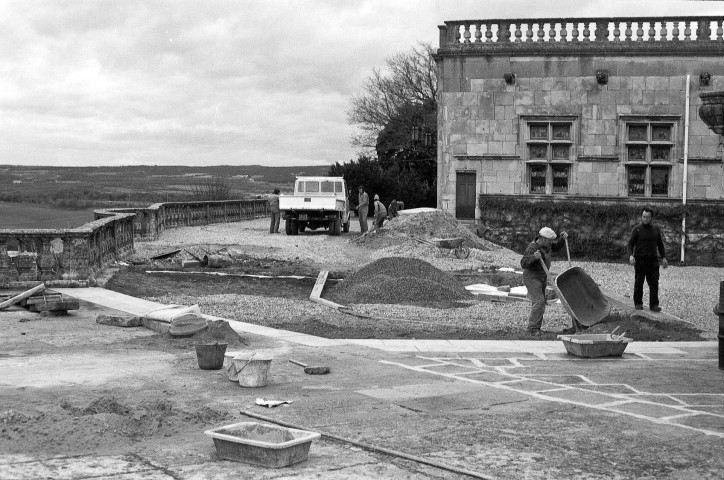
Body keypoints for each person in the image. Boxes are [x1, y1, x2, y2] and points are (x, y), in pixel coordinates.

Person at [520, 227, 570, 335]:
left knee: (541, 302)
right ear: (543, 239)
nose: (551, 243)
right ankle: (532, 329)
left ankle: (536, 327)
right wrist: (533, 257)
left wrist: (562, 239)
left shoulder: (546, 246)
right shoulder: (532, 248)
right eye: (549, 241)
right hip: (532, 277)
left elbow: (555, 247)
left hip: (542, 277)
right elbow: (523, 263)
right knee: (539, 301)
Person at [627, 207, 668, 312]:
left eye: (648, 217)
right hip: (640, 261)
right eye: (644, 217)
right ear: (641, 217)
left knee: (654, 283)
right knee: (639, 283)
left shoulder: (655, 229)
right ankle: (638, 303)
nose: (645, 219)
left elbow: (660, 244)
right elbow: (630, 243)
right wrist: (631, 255)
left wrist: (663, 257)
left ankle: (654, 305)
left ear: (651, 218)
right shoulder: (637, 229)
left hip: (653, 261)